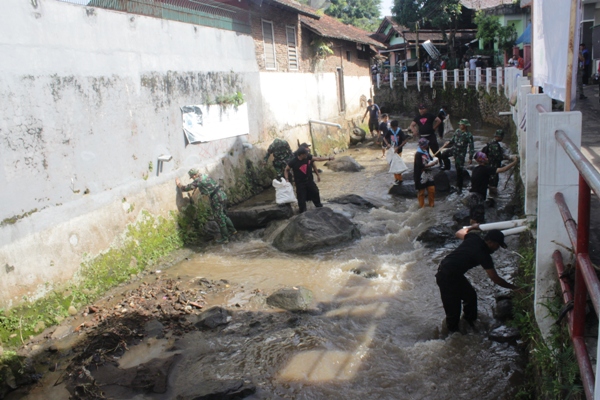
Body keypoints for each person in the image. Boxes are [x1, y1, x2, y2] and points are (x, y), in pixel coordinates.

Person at [435, 225, 521, 334]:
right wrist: (514, 288)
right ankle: (451, 337)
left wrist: (472, 227)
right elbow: (495, 279)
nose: (497, 248)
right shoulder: (484, 255)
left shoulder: (473, 238)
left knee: (470, 296)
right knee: (453, 312)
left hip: (453, 273)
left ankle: (470, 323)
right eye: (497, 245)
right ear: (490, 241)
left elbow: (459, 233)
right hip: (446, 277)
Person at [176, 169, 237, 244]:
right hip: (222, 195)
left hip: (216, 198)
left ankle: (225, 238)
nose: (192, 178)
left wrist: (179, 184)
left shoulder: (198, 180)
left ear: (194, 175)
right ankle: (233, 230)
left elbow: (186, 188)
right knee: (223, 214)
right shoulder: (205, 176)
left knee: (219, 217)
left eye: (192, 177)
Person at [467, 152, 518, 223]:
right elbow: (503, 169)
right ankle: (477, 232)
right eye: (486, 157)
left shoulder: (475, 169)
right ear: (482, 160)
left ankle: (471, 231)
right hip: (478, 197)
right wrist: (514, 162)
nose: (487, 159)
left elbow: (478, 181)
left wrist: (489, 187)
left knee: (472, 218)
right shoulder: (486, 169)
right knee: (478, 220)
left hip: (471, 196)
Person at [284, 147, 323, 213]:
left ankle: (319, 208)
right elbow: (286, 170)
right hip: (300, 183)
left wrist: (329, 158)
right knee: (301, 199)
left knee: (315, 192)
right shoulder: (293, 161)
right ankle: (302, 212)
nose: (307, 155)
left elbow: (317, 159)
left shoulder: (308, 157)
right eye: (305, 154)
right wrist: (287, 179)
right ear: (301, 155)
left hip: (309, 181)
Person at [445, 118, 475, 194]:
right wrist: (448, 143)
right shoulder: (457, 131)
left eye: (461, 124)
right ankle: (446, 167)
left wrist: (470, 158)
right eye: (459, 124)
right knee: (443, 155)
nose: (459, 125)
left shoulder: (468, 135)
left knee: (459, 170)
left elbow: (471, 147)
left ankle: (459, 187)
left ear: (465, 126)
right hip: (454, 150)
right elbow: (453, 140)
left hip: (461, 154)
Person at [482, 130, 509, 194]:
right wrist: (508, 157)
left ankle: (490, 194)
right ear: (498, 137)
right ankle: (493, 196)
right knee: (493, 183)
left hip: (489, 166)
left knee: (489, 181)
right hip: (493, 167)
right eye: (501, 137)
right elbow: (498, 157)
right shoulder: (495, 146)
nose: (502, 138)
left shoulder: (490, 143)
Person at [414, 138, 438, 208]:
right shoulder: (418, 154)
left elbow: (430, 159)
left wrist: (435, 161)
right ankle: (422, 207)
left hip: (429, 174)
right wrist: (430, 165)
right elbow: (420, 166)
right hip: (421, 175)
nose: (428, 145)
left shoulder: (426, 151)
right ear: (424, 145)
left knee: (432, 189)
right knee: (421, 192)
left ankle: (431, 205)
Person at [385, 119, 410, 185]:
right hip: (392, 150)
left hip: (399, 150)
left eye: (394, 127)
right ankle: (396, 178)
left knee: (397, 164)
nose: (393, 128)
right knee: (392, 164)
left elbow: (405, 141)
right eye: (392, 127)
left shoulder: (400, 132)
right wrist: (388, 144)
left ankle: (400, 179)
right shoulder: (390, 131)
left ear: (396, 126)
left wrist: (398, 147)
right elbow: (385, 138)